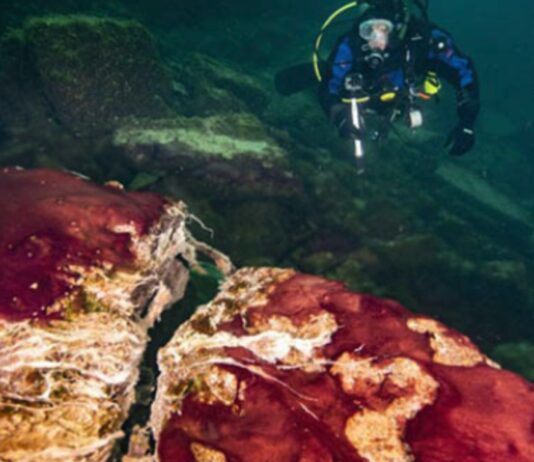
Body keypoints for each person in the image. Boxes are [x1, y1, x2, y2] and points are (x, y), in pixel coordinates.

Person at [319, 0, 480, 156]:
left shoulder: (423, 40)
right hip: (360, 102)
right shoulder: (350, 44)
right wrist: (340, 116)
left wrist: (467, 123)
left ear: (397, 29)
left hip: (402, 104)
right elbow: (329, 84)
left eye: (384, 29)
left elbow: (464, 71)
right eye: (368, 30)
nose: (375, 40)